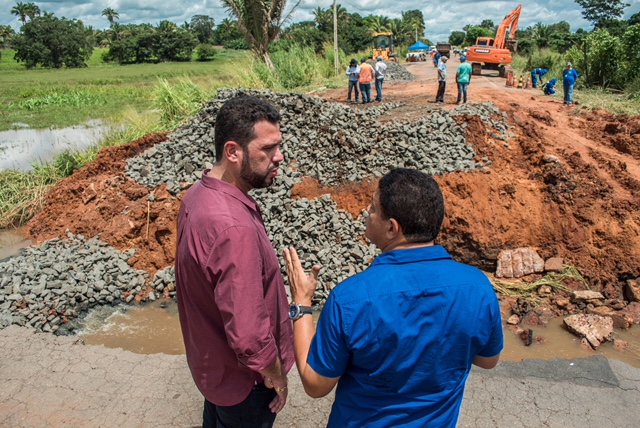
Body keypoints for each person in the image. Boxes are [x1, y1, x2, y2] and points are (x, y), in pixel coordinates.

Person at [284, 168, 503, 427]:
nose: (367, 210)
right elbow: (488, 360)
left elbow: (315, 384)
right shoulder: (478, 286)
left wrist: (301, 304)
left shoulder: (350, 300)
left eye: (374, 207)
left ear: (392, 228)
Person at [175, 95, 293, 428]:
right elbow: (249, 335)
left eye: (279, 146)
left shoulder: (198, 195)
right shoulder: (233, 227)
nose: (279, 157)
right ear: (233, 152)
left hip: (213, 371)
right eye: (267, 149)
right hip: (246, 385)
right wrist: (277, 376)